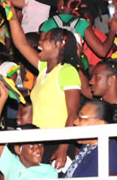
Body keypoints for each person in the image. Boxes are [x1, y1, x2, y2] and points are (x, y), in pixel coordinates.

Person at [7, 9, 82, 167]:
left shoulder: (67, 71)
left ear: (59, 45)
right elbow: (21, 44)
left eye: (46, 39)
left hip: (57, 143)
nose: (40, 43)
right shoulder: (43, 70)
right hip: (39, 142)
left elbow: (73, 114)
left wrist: (63, 147)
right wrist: (12, 14)